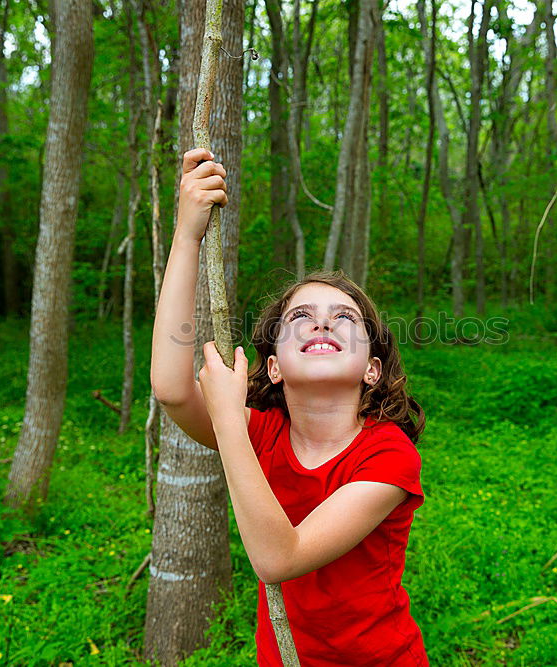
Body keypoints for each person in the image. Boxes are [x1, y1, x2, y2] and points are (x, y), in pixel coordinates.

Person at [152, 148, 429, 666]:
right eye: (300, 314)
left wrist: (231, 424)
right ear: (275, 365)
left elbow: (280, 558)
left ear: (372, 367)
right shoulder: (262, 433)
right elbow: (171, 389)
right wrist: (187, 237)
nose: (321, 322)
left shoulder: (389, 456)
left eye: (343, 317)